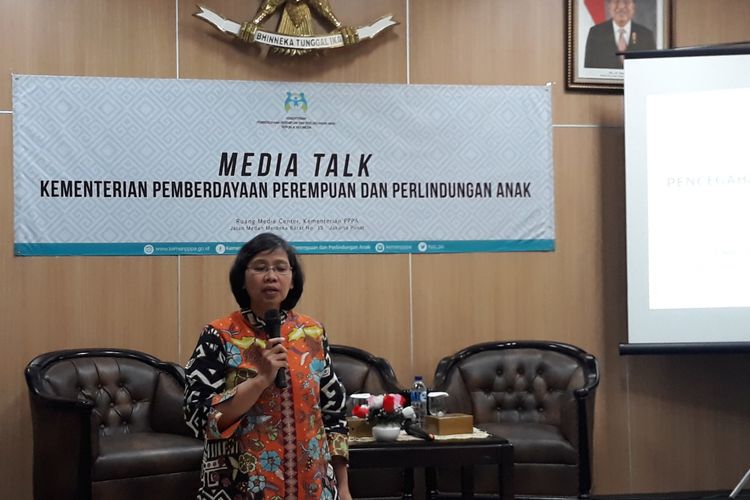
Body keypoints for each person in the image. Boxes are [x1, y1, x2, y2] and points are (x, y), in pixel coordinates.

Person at [184, 233, 351, 499]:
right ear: (242, 278)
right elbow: (198, 418)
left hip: (314, 487)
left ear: (292, 279)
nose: (271, 276)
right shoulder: (219, 335)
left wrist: (343, 487)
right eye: (260, 267)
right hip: (240, 486)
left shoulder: (312, 333)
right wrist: (260, 379)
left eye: (280, 268)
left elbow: (333, 414)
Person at [584, 0, 656, 69]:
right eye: (616, 1)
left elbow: (651, 70)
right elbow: (589, 71)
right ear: (609, 6)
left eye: (627, 1)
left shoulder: (646, 35)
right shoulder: (596, 33)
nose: (621, 6)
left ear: (634, 6)